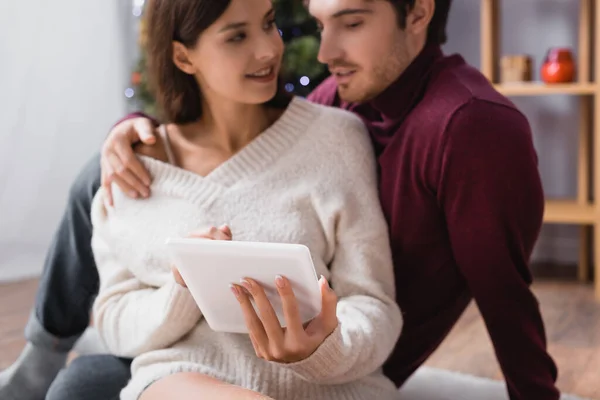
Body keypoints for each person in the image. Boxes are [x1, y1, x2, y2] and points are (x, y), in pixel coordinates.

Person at [0, 0, 561, 399]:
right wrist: (134, 129)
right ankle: (41, 358)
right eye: (318, 23)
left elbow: (504, 293)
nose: (321, 51)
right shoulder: (345, 94)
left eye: (352, 22)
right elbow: (263, 141)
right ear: (184, 56)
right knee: (80, 372)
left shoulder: (470, 129)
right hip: (191, 356)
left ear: (417, 13)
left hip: (342, 357)